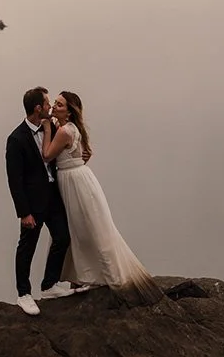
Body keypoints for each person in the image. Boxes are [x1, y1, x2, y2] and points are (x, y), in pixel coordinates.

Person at [41, 91, 164, 306]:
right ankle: (85, 275)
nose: (54, 106)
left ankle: (97, 274)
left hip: (73, 182)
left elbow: (47, 155)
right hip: (77, 179)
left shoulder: (63, 131)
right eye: (55, 103)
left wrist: (48, 129)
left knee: (83, 227)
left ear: (69, 112)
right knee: (84, 228)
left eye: (59, 105)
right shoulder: (71, 128)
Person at [5, 87, 77, 316]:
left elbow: (66, 147)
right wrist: (23, 212)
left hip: (53, 197)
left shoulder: (53, 127)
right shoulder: (16, 139)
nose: (50, 107)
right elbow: (14, 180)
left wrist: (82, 154)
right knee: (27, 247)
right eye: (47, 104)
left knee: (63, 237)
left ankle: (49, 285)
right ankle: (23, 294)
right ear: (38, 108)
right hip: (32, 204)